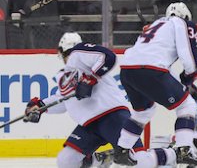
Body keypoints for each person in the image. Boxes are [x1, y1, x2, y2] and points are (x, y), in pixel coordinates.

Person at [23, 32, 174, 168]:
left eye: (69, 53)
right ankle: (100, 160)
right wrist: (39, 106)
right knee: (66, 161)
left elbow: (109, 57)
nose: (69, 57)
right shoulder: (66, 75)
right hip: (89, 125)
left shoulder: (83, 56)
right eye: (67, 54)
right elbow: (63, 100)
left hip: (112, 116)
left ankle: (173, 155)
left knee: (139, 161)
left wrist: (90, 79)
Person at [114, 2, 197, 166]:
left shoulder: (155, 25)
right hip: (151, 69)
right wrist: (190, 76)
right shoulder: (181, 23)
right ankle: (184, 150)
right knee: (187, 106)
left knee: (143, 113)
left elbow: (160, 67)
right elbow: (188, 56)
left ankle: (122, 150)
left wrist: (185, 85)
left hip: (127, 70)